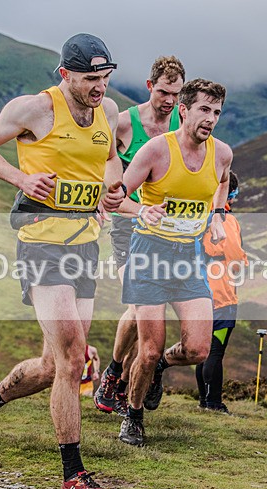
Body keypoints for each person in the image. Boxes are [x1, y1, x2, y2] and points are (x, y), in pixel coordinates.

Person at [0, 33, 125, 489]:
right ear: (65, 75)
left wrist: (112, 190)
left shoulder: (108, 112)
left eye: (105, 77)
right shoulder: (34, 109)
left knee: (55, 365)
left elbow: (110, 160)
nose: (99, 87)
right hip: (41, 248)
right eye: (90, 79)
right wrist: (22, 178)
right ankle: (73, 475)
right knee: (75, 360)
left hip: (85, 248)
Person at [118, 78, 233, 446]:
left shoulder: (222, 153)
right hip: (148, 255)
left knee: (199, 349)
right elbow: (117, 195)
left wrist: (216, 214)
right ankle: (133, 416)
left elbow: (223, 182)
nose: (210, 119)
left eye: (216, 112)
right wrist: (141, 210)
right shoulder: (155, 151)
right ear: (183, 110)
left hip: (187, 258)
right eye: (203, 109)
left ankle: (160, 369)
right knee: (148, 349)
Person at [94, 56, 186, 417]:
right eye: (163, 92)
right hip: (128, 226)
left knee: (151, 315)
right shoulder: (124, 124)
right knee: (138, 307)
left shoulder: (184, 121)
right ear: (150, 87)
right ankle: (115, 372)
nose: (169, 101)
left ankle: (133, 375)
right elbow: (99, 161)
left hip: (168, 229)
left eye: (176, 94)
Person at [195, 171, 247, 414]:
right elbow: (236, 256)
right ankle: (213, 402)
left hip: (198, 293)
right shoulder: (227, 220)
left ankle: (204, 399)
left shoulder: (199, 216)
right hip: (223, 294)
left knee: (200, 349)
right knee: (216, 349)